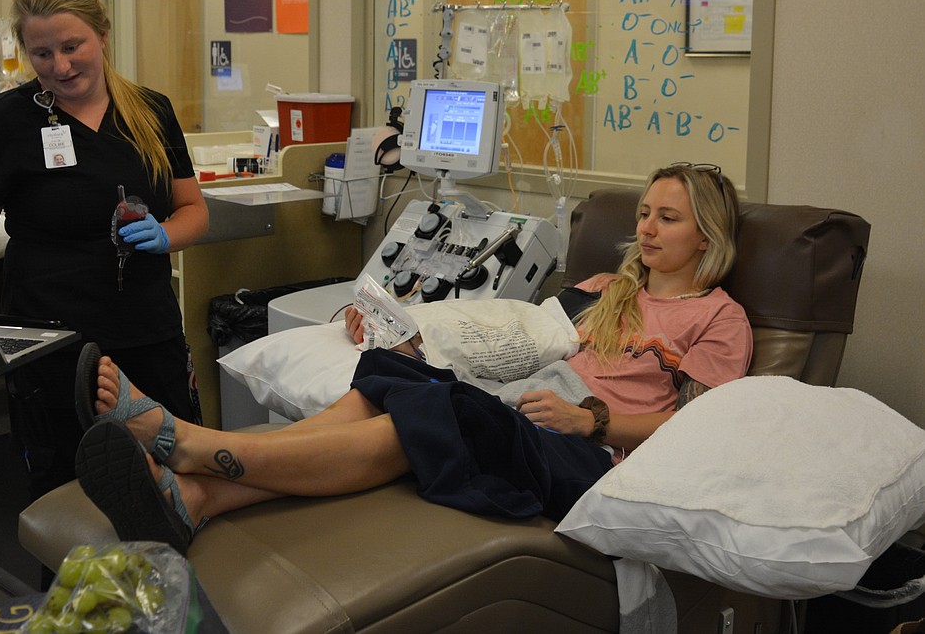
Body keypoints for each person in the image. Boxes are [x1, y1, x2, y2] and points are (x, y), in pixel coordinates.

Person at [72, 162, 751, 554]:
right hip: (532, 403)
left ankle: (194, 446)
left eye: (668, 217)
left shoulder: (719, 317)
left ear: (707, 236)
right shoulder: (601, 290)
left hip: (593, 457)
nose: (645, 228)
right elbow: (515, 337)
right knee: (391, 374)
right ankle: (195, 497)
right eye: (642, 212)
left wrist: (593, 423)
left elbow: (700, 428)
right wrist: (412, 337)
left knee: (435, 411)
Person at [0, 0, 209, 499]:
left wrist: (166, 234)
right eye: (41, 53)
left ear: (103, 35)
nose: (59, 66)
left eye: (71, 46)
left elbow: (194, 210)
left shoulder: (150, 111)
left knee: (171, 483)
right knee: (66, 491)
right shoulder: (3, 123)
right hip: (50, 341)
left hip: (147, 334)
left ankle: (169, 581)